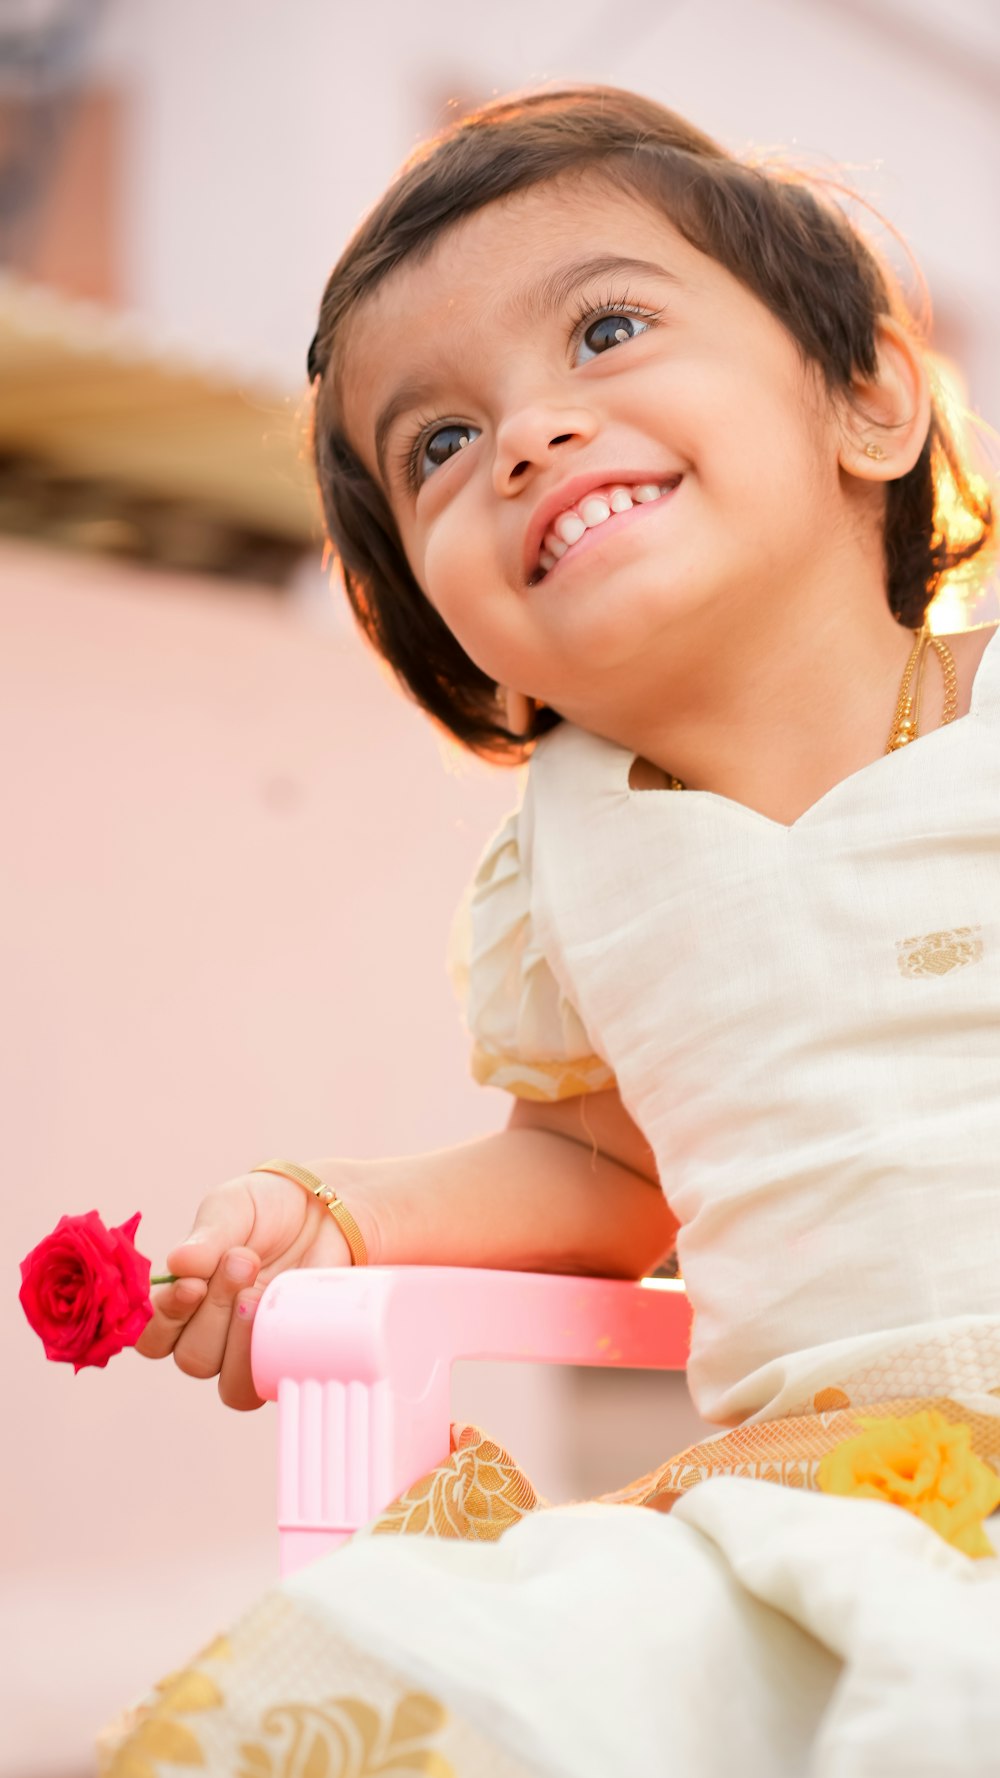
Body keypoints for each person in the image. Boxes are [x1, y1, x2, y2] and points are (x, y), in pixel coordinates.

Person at [109, 84, 1000, 1776]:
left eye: (605, 328)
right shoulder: (572, 864)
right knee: (437, 1671)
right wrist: (337, 1215)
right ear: (471, 641)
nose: (524, 434)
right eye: (437, 443)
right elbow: (607, 1178)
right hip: (822, 1496)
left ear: (869, 398)